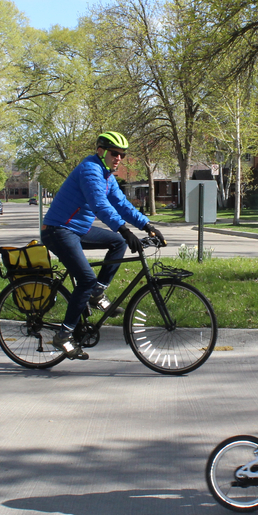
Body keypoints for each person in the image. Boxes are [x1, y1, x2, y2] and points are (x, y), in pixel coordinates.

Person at [40, 131, 165, 358]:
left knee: (117, 243)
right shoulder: (90, 170)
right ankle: (64, 335)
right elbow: (99, 204)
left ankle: (97, 292)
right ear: (101, 151)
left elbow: (121, 204)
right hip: (58, 230)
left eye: (122, 155)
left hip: (77, 229)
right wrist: (125, 230)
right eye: (115, 153)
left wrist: (147, 226)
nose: (119, 158)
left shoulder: (107, 175)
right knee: (86, 278)